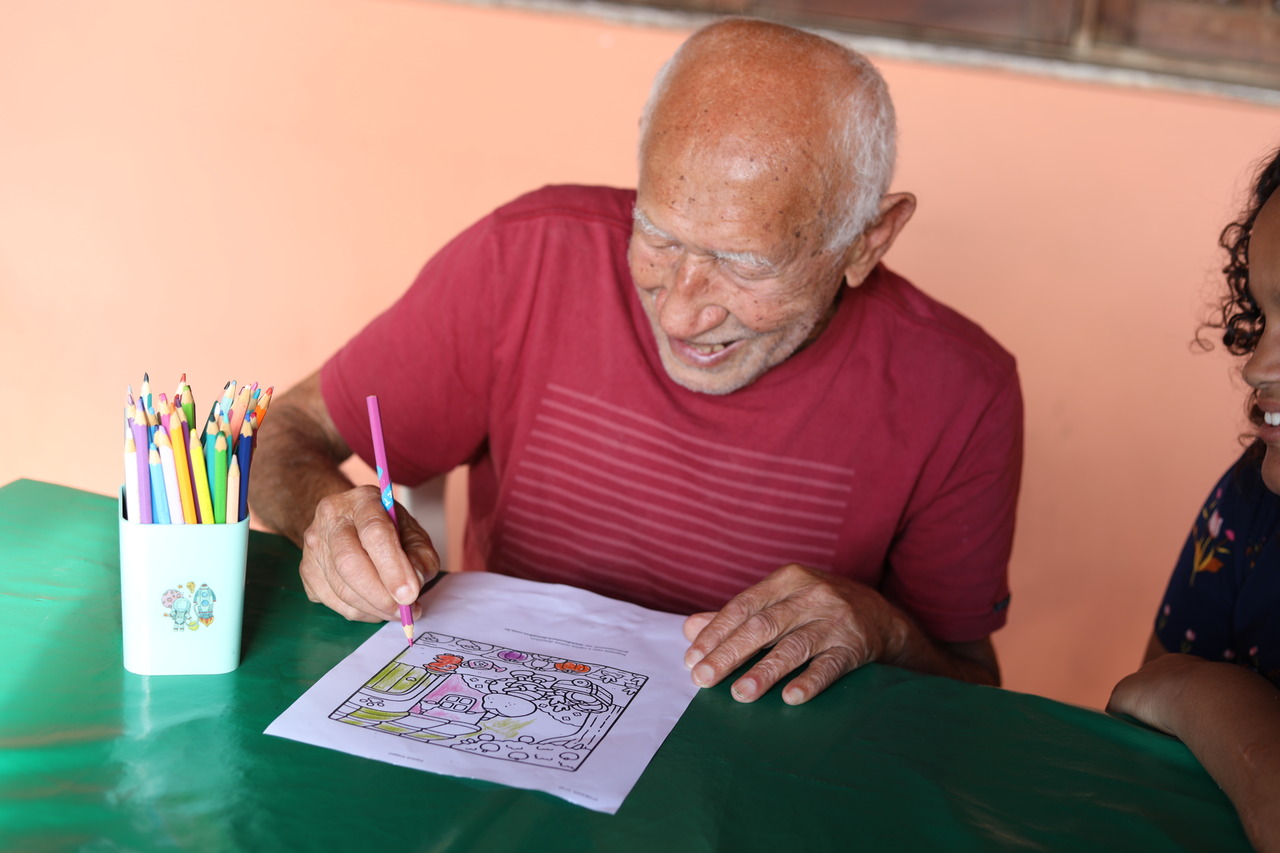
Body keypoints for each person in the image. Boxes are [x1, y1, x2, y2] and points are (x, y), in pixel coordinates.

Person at [249, 17, 1023, 705]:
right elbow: (283, 431)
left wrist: (883, 627)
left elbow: (970, 685)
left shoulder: (959, 391)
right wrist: (327, 516)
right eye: (658, 235)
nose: (681, 309)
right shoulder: (526, 259)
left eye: (744, 265)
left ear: (868, 242)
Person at [1107, 146, 1280, 852]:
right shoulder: (1251, 501)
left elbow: (1167, 689)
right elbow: (1137, 704)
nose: (1255, 363)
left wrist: (1211, 696)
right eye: (1263, 316)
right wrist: (1175, 685)